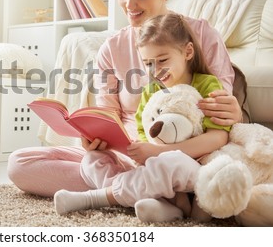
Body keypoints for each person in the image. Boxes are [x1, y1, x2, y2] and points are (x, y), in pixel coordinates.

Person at [7, 0, 242, 221]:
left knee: (210, 169)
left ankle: (124, 192)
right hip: (126, 157)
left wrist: (232, 111)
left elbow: (220, 118)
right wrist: (93, 137)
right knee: (20, 163)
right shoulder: (112, 47)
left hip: (184, 155)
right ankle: (151, 194)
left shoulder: (200, 35)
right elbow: (107, 116)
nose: (130, 5)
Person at [54, 12, 232, 221]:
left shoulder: (208, 85)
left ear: (188, 52)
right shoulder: (150, 92)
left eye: (162, 60)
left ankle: (95, 198)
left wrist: (159, 152)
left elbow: (218, 138)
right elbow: (144, 133)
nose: (155, 70)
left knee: (169, 162)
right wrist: (138, 152)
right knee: (92, 160)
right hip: (156, 168)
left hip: (193, 168)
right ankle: (172, 209)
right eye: (148, 63)